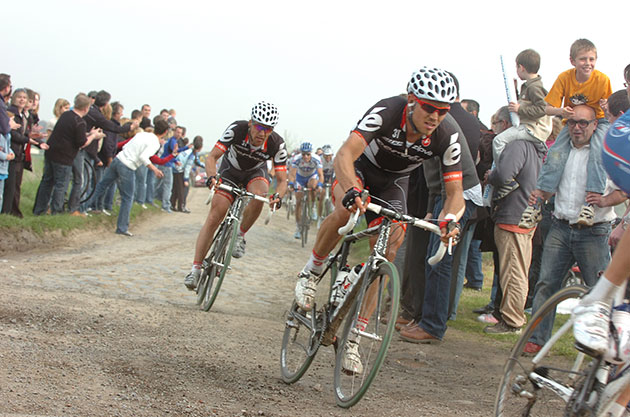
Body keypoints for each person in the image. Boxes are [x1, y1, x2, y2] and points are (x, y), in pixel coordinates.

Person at [293, 68, 465, 372]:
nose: (435, 116)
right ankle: (312, 270)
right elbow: (344, 155)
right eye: (429, 108)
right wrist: (352, 190)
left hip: (394, 184)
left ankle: (354, 339)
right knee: (346, 210)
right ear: (412, 101)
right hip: (358, 169)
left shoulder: (447, 134)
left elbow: (455, 192)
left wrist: (450, 218)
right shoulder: (387, 111)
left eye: (443, 111)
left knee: (387, 251)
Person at [523, 105, 617, 355]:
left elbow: (624, 189)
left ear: (594, 125)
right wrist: (540, 194)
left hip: (594, 231)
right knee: (546, 285)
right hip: (561, 226)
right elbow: (548, 183)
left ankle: (604, 346)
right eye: (572, 122)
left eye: (583, 123)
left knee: (600, 289)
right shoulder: (560, 152)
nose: (577, 127)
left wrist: (606, 201)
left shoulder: (606, 156)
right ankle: (537, 340)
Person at [184, 101, 288, 290]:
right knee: (217, 214)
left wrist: (278, 197)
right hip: (230, 170)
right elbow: (212, 157)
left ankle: (240, 235)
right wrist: (211, 177)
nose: (262, 133)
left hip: (255, 174)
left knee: (259, 195)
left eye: (267, 129)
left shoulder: (277, 144)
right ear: (250, 123)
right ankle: (196, 269)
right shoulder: (237, 129)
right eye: (258, 126)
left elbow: (282, 180)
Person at [521, 39, 612, 229]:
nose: (588, 63)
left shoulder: (602, 80)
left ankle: (590, 203)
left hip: (597, 120)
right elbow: (547, 108)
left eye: (591, 59)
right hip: (571, 120)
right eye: (583, 59)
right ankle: (538, 200)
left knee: (597, 151)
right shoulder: (565, 78)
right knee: (555, 153)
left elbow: (608, 105)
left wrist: (606, 106)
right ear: (572, 61)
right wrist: (561, 112)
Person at [482, 106, 546, 334]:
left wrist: (491, 176)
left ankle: (512, 320)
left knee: (513, 270)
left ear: (507, 124)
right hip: (525, 214)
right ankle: (513, 316)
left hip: (513, 214)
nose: (495, 128)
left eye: (497, 123)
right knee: (519, 267)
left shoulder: (518, 146)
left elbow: (505, 173)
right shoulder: (536, 147)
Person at [90, 119, 168, 236]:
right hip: (128, 166)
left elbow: (126, 145)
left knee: (102, 185)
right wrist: (155, 169)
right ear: (165, 132)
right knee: (127, 197)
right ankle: (122, 227)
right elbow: (143, 157)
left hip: (118, 159)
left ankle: (84, 208)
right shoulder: (155, 143)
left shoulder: (142, 134)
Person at [33, 93, 104, 215]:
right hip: (64, 157)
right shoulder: (80, 122)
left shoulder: (66, 115)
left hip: (51, 153)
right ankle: (56, 212)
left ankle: (39, 210)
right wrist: (93, 136)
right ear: (86, 108)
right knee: (61, 185)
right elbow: (82, 143)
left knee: (47, 182)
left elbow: (70, 134)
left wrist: (88, 133)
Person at [289, 141, 323, 238]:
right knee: (299, 201)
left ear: (311, 153)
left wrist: (320, 185)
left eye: (308, 154)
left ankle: (313, 207)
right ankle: (298, 227)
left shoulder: (316, 159)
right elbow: (292, 173)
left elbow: (321, 175)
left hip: (311, 177)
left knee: (312, 186)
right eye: (303, 154)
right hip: (300, 178)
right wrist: (291, 184)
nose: (306, 157)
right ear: (301, 153)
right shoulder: (297, 159)